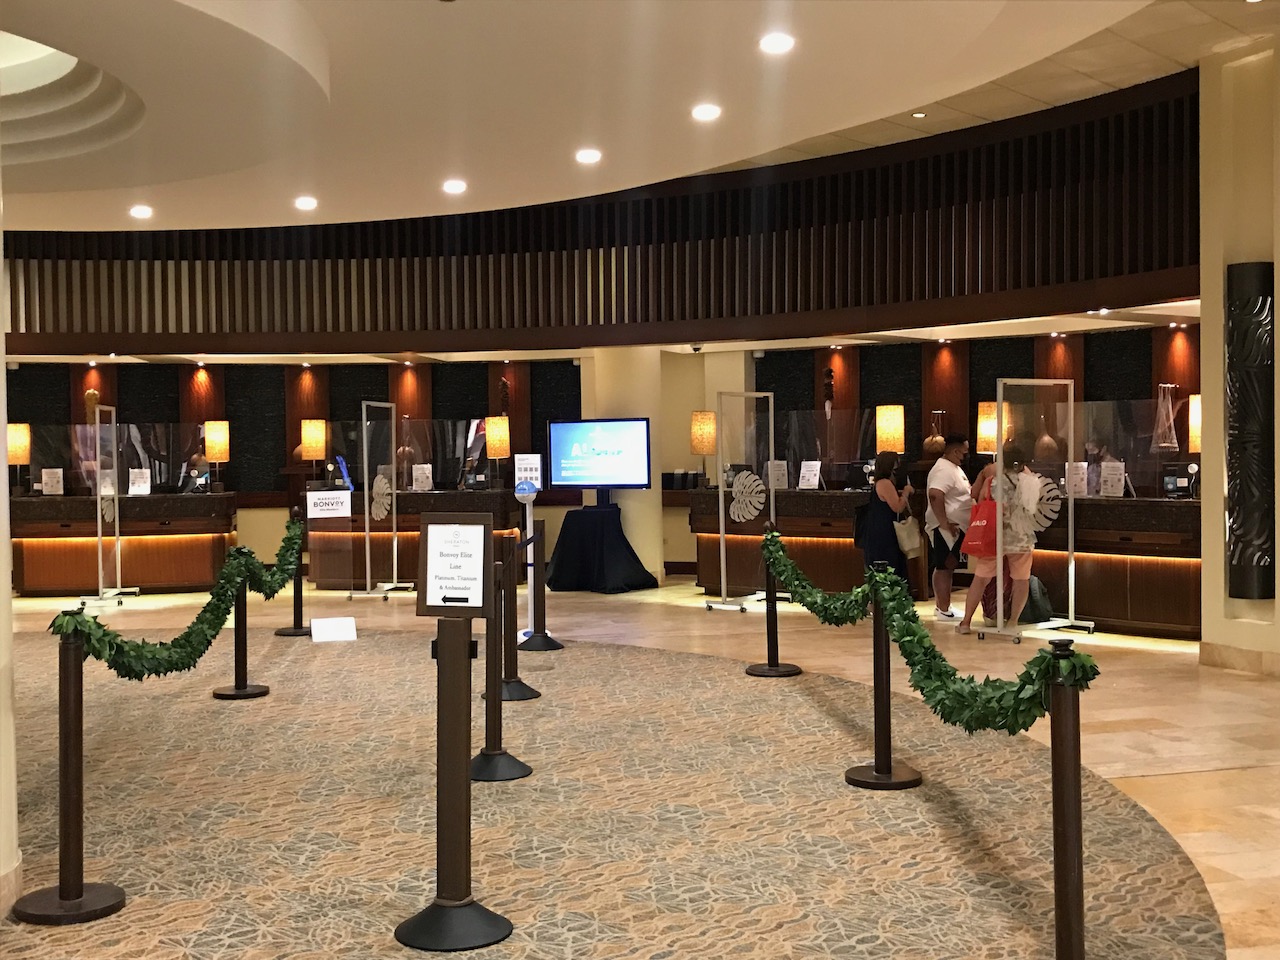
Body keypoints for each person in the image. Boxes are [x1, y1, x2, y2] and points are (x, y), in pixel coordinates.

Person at [956, 442, 1040, 638]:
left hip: (995, 537)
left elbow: (982, 501)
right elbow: (1033, 508)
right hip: (1021, 537)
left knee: (980, 579)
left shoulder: (993, 482)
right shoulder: (1031, 482)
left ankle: (966, 622)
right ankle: (1013, 622)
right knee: (1021, 580)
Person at [924, 433, 972, 619]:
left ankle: (945, 606)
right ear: (955, 451)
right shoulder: (943, 469)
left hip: (954, 527)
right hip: (945, 527)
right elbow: (935, 494)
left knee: (948, 566)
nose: (965, 456)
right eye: (964, 453)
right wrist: (944, 523)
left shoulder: (953, 468)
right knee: (944, 566)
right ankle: (943, 609)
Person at [860, 450, 914, 582]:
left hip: (879, 530)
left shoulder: (880, 482)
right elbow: (897, 507)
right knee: (889, 565)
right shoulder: (885, 483)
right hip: (884, 532)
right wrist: (906, 492)